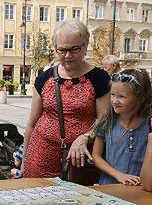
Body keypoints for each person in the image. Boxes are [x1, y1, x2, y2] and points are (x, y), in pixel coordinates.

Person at [22, 19, 110, 178]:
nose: (68, 55)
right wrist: (23, 160)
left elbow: (105, 120)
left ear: (85, 46)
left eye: (74, 49)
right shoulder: (44, 79)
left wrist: (85, 137)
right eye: (61, 50)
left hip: (78, 161)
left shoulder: (99, 78)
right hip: (39, 158)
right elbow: (32, 123)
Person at [92, 69, 152, 185]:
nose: (114, 101)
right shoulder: (108, 121)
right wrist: (119, 175)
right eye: (112, 95)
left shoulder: (151, 123)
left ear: (140, 97)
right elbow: (96, 156)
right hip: (109, 188)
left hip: (140, 189)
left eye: (121, 96)